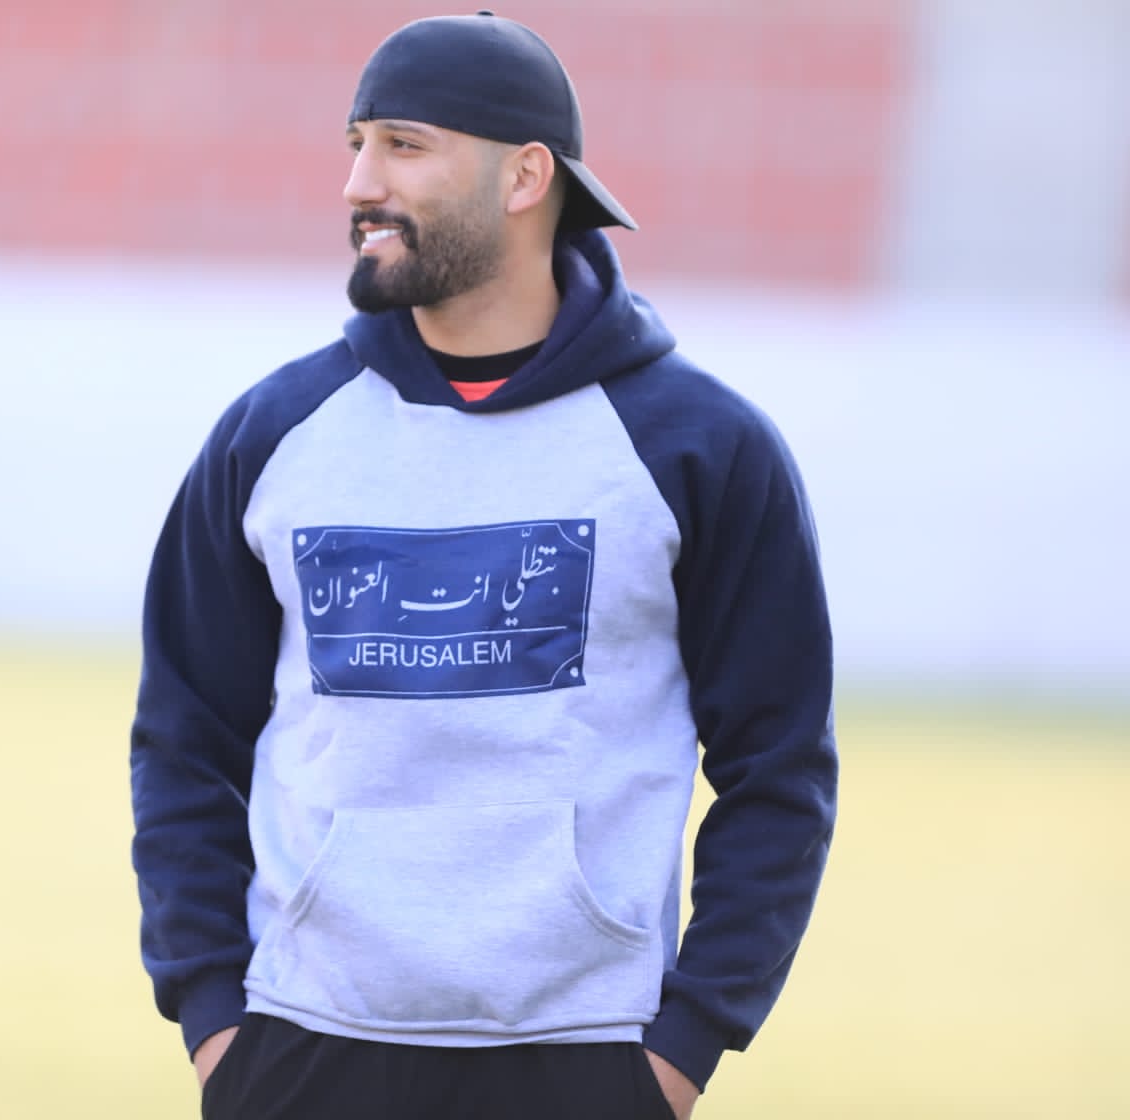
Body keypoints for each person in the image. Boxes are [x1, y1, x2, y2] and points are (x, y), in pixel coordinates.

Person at [129, 11, 837, 1119]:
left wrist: (685, 1046)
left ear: (525, 177)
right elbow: (182, 740)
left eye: (404, 146)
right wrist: (215, 1017)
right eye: (356, 145)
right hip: (299, 1050)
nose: (360, 182)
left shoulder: (698, 449)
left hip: (585, 1058)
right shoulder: (273, 437)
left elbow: (779, 770)